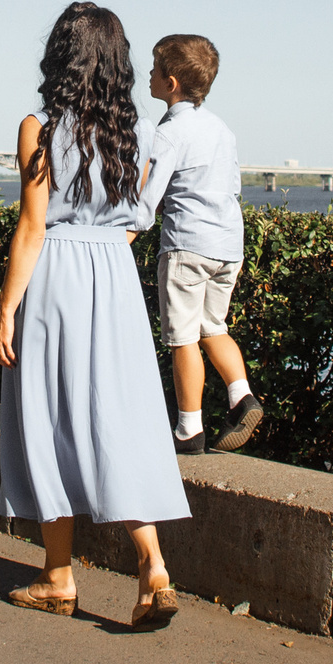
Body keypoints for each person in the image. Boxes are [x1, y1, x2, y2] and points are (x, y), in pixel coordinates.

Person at [0, 2, 190, 628]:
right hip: (115, 281)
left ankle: (58, 576)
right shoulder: (134, 134)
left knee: (46, 418)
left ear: (62, 54)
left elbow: (32, 226)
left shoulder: (40, 128)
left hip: (55, 277)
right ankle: (152, 567)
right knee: (119, 417)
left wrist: (5, 310)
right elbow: (134, 222)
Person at [138, 34, 263, 454]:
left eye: (154, 70)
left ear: (170, 82)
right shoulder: (221, 129)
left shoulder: (170, 133)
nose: (148, 76)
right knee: (213, 327)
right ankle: (241, 395)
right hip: (228, 246)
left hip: (187, 246)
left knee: (182, 338)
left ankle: (188, 430)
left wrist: (120, 237)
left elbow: (147, 202)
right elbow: (233, 186)